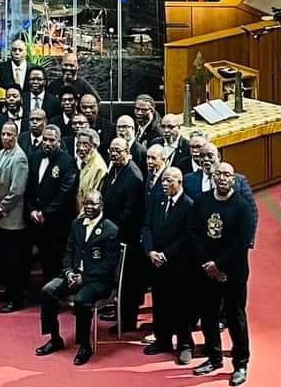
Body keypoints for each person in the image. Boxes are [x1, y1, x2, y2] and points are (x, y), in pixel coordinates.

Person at [35, 190, 119, 366]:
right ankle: (55, 338)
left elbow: (109, 265)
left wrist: (84, 277)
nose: (88, 207)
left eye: (92, 203)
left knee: (81, 300)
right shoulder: (77, 224)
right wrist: (68, 272)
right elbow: (68, 252)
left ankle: (85, 345)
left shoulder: (111, 230)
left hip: (97, 281)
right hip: (73, 275)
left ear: (101, 205)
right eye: (86, 203)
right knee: (47, 291)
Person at [190, 163, 255, 387]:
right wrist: (208, 264)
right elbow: (193, 232)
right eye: (219, 174)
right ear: (213, 177)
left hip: (232, 273)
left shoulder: (242, 206)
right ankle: (214, 357)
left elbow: (242, 241)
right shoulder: (202, 201)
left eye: (227, 174)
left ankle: (240, 364)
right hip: (206, 270)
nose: (222, 178)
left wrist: (219, 265)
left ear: (233, 179)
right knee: (208, 316)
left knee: (236, 318)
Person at [141, 167, 195, 365]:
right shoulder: (157, 200)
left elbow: (187, 236)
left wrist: (166, 255)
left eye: (169, 180)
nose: (164, 184)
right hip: (156, 262)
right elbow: (147, 226)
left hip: (178, 264)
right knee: (160, 303)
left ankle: (185, 344)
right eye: (163, 180)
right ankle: (162, 340)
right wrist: (150, 251)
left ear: (180, 182)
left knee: (180, 305)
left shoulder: (188, 205)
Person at [101, 137, 145, 333]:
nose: (113, 154)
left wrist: (112, 231)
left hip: (127, 238)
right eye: (111, 150)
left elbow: (130, 211)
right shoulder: (114, 169)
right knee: (119, 280)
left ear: (128, 152)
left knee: (128, 282)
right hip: (113, 233)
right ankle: (120, 314)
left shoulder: (133, 176)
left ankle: (128, 321)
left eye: (118, 151)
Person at [25, 125, 78, 282]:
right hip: (34, 218)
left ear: (59, 141)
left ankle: (52, 291)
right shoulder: (34, 157)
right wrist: (31, 210)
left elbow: (65, 193)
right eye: (45, 139)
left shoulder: (67, 162)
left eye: (52, 140)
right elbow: (28, 187)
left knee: (53, 260)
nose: (47, 143)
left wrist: (45, 213)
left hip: (55, 222)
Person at [0, 121, 30, 312]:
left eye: (9, 134)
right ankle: (8, 291)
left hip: (12, 217)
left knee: (15, 261)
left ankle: (16, 299)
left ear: (16, 135)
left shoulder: (19, 158)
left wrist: (1, 207)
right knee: (5, 259)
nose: (6, 137)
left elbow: (17, 190)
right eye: (3, 134)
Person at [74, 129, 108, 210]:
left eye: (85, 145)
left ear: (95, 146)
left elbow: (93, 199)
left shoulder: (98, 167)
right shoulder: (85, 161)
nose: (81, 148)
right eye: (78, 144)